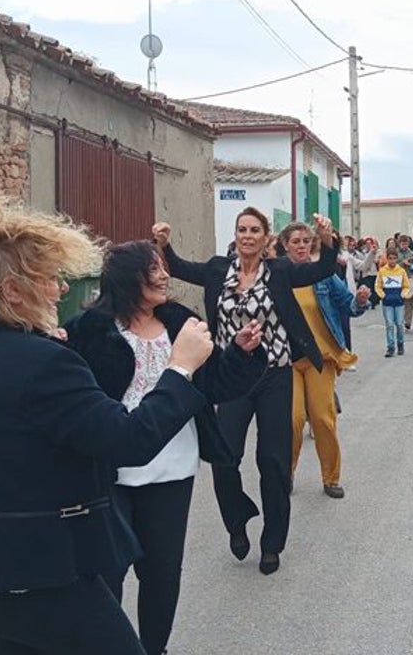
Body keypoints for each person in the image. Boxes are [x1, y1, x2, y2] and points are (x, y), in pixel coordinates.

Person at [0, 196, 213, 655]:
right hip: (37, 577)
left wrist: (12, 341)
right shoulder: (46, 364)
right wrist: (180, 369)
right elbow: (128, 440)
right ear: (11, 290)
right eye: (48, 278)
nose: (60, 289)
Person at [64, 240, 266, 655]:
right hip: (110, 472)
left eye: (162, 267)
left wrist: (244, 354)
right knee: (108, 573)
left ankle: (154, 649)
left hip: (172, 470)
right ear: (125, 278)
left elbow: (216, 384)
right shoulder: (89, 330)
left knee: (161, 574)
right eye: (151, 268)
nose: (162, 275)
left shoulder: (180, 323)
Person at [153, 208, 340, 576]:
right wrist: (163, 243)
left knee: (272, 461)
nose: (247, 235)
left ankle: (272, 543)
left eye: (255, 230)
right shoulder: (217, 269)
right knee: (225, 456)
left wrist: (327, 239)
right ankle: (237, 523)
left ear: (266, 237)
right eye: (242, 229)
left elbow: (321, 269)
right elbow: (177, 266)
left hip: (274, 374)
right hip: (230, 376)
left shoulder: (281, 271)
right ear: (236, 234)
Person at [278, 222, 371, 500]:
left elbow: (350, 306)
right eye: (296, 241)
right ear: (285, 245)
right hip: (286, 360)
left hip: (321, 358)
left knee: (322, 419)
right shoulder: (276, 275)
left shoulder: (324, 275)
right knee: (292, 421)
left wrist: (362, 300)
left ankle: (331, 478)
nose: (302, 245)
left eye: (306, 240)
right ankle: (286, 474)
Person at [376, 247, 412, 357]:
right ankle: (390, 347)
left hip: (399, 302)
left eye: (394, 258)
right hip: (387, 303)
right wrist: (383, 296)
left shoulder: (401, 271)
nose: (392, 261)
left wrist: (403, 295)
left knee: (400, 324)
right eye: (390, 258)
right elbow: (378, 286)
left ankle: (400, 344)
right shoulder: (382, 271)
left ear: (397, 259)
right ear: (387, 259)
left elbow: (406, 286)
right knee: (390, 325)